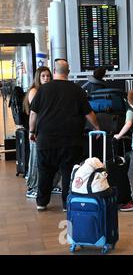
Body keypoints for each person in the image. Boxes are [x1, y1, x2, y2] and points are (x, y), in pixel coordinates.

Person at [29, 59, 100, 212]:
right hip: (71, 140)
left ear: (54, 72)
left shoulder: (43, 90)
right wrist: (97, 127)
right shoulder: (77, 90)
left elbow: (33, 113)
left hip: (46, 139)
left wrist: (31, 131)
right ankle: (66, 203)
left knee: (45, 172)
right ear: (67, 72)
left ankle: (41, 202)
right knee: (68, 172)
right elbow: (89, 113)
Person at [23, 66, 62, 199]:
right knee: (35, 160)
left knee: (53, 160)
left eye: (48, 76)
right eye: (43, 76)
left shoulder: (48, 91)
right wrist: (32, 131)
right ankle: (32, 187)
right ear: (38, 78)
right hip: (38, 131)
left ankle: (51, 185)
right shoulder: (35, 91)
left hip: (48, 130)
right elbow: (36, 112)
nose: (46, 78)